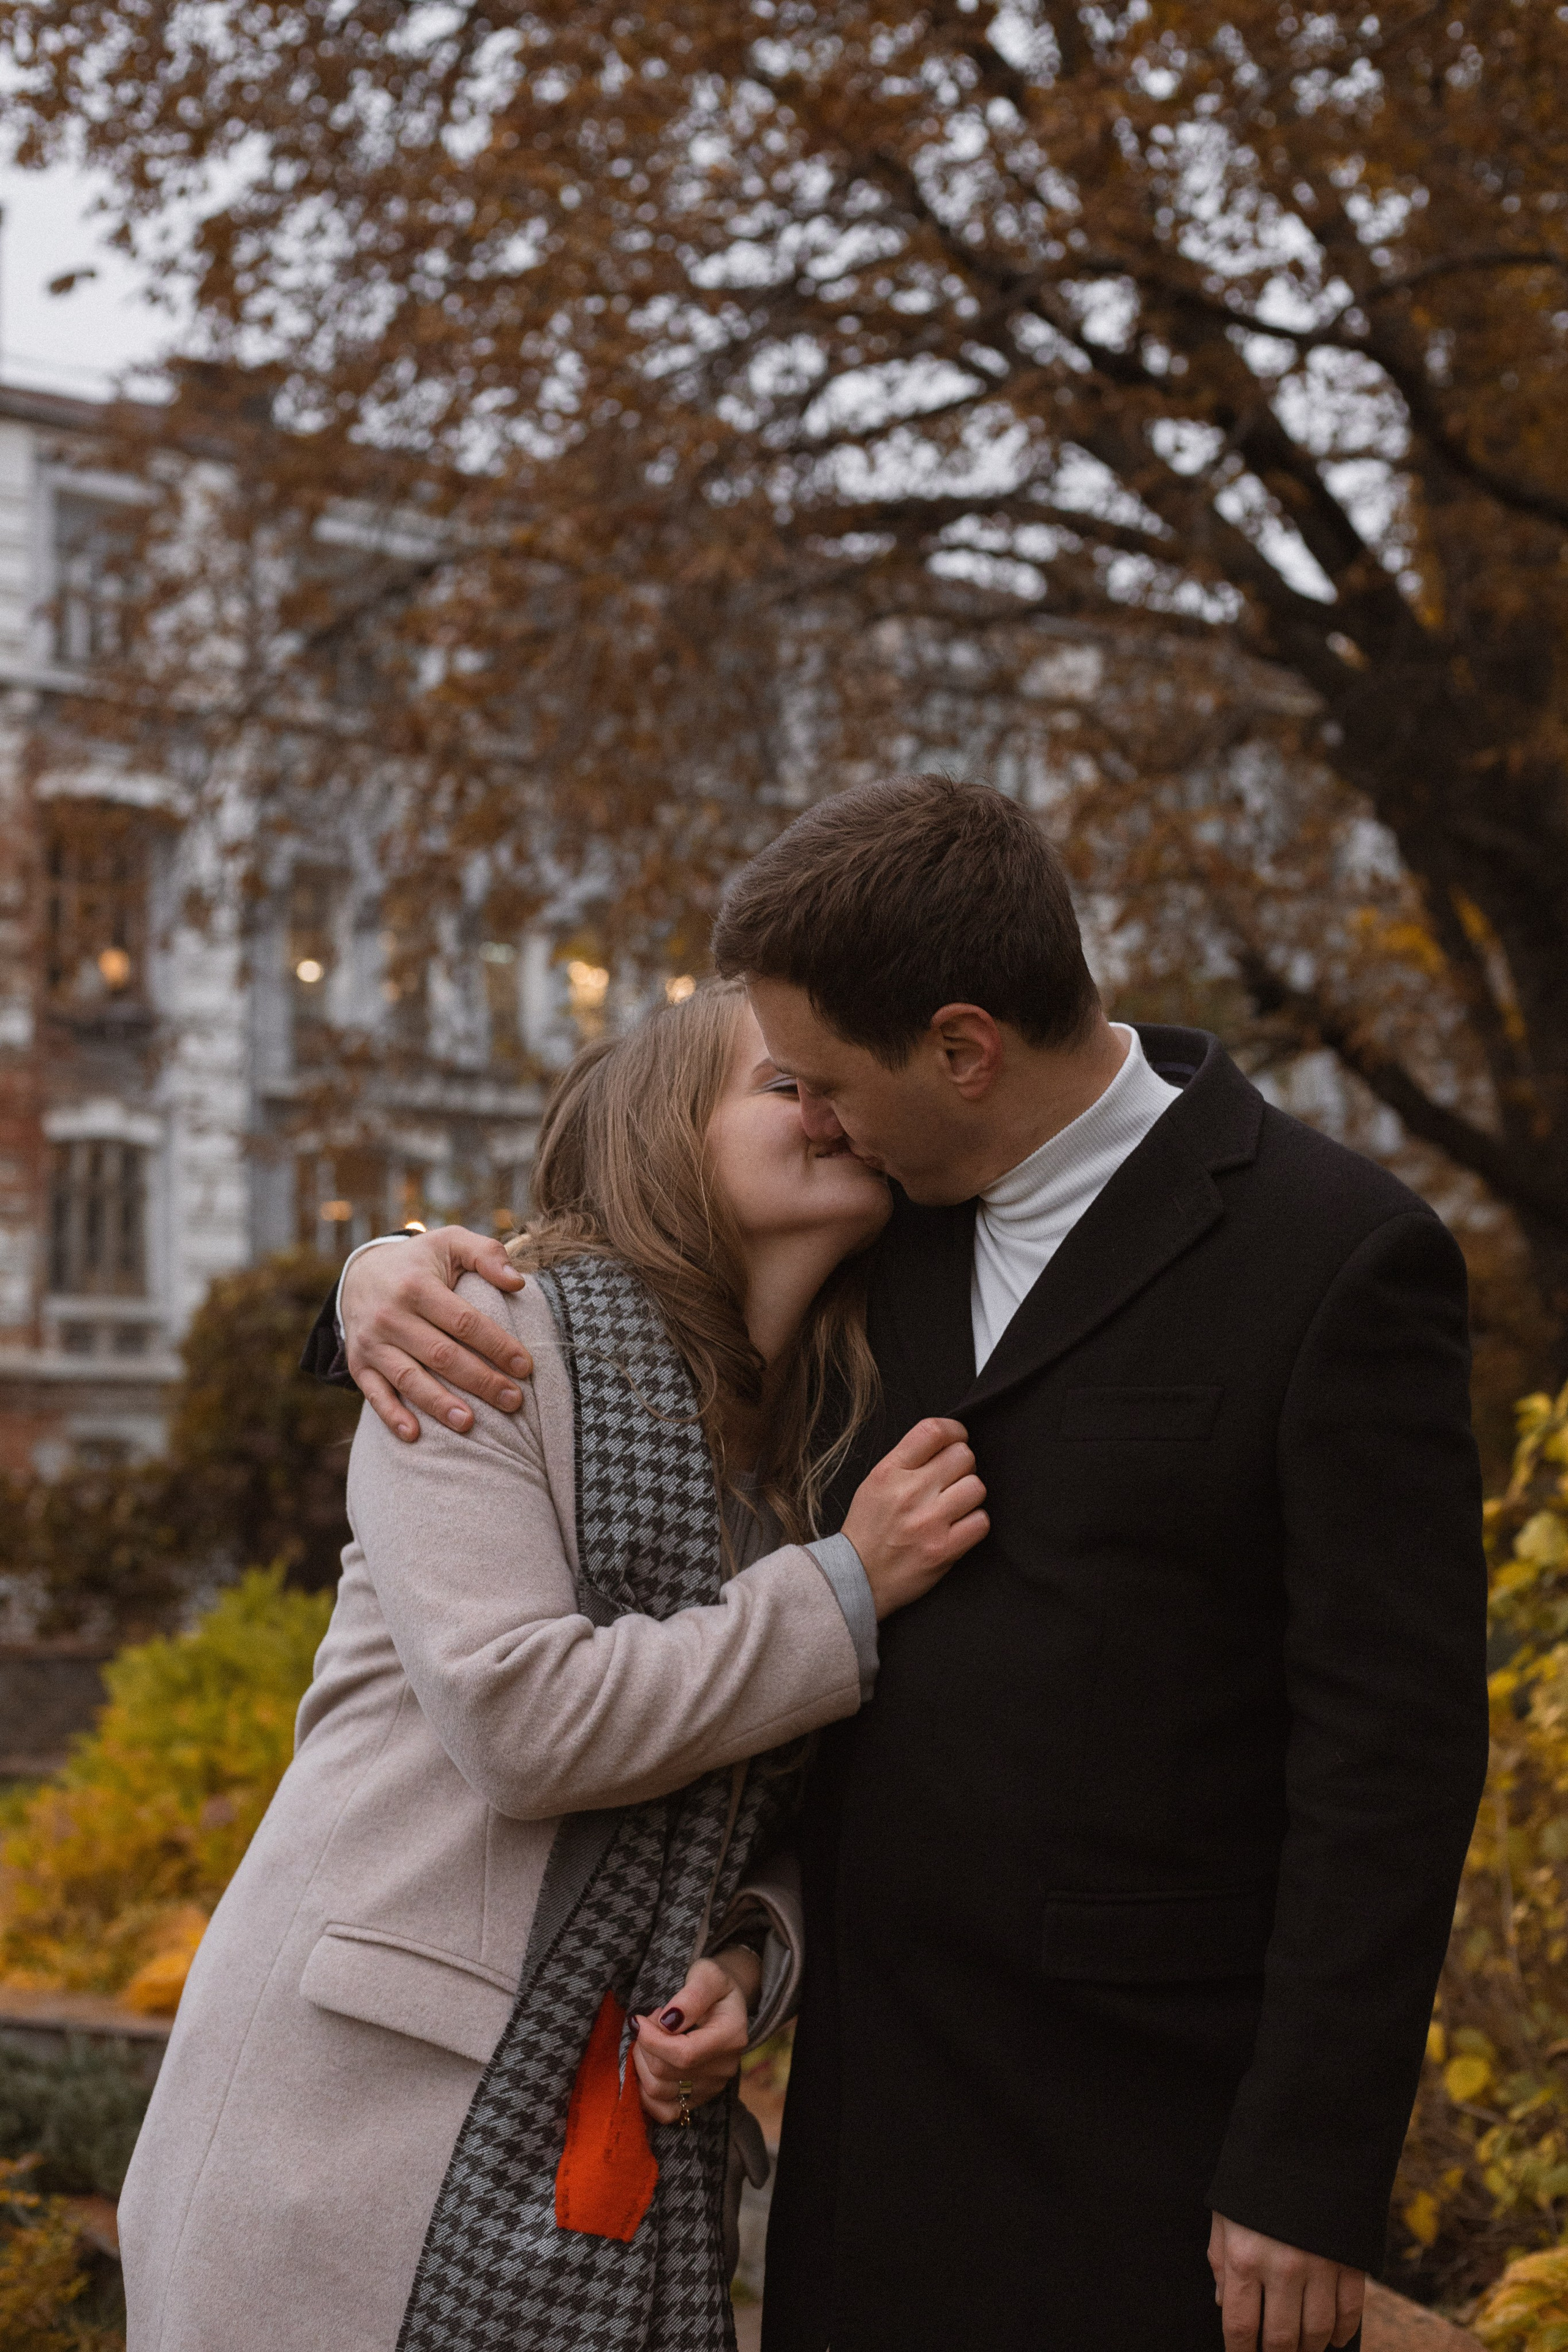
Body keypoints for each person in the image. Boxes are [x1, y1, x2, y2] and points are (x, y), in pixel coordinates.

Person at [325, 775, 1490, 2352]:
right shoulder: (876, 1228)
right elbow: (632, 1279)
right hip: (869, 2124)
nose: (809, 1116)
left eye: (821, 1080)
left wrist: (1306, 2167)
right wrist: (377, 1275)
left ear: (960, 1048)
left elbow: (1393, 1756)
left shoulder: (1335, 1255)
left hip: (1146, 2129)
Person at [118, 978, 988, 2352]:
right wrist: (843, 1594)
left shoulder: (827, 1458)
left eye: (840, 1081)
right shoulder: (488, 1344)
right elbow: (522, 1721)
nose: (832, 1108)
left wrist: (752, 1962)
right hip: (348, 2144)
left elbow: (789, 1804)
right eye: (784, 1086)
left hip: (599, 2155)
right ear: (666, 1136)